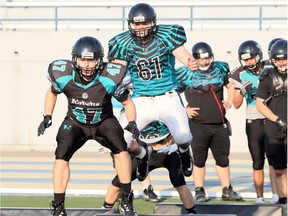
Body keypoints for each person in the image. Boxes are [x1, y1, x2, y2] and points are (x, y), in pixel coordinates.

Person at [37, 36, 140, 216]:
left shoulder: (110, 77)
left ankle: (125, 200)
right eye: (83, 59)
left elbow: (127, 103)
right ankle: (59, 206)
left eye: (91, 60)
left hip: (103, 121)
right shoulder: (63, 75)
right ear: (74, 59)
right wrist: (47, 116)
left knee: (121, 150)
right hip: (75, 122)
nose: (86, 65)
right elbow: (52, 92)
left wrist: (132, 122)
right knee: (61, 154)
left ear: (99, 60)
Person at [108, 3, 197, 182]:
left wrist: (190, 63)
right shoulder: (122, 43)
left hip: (167, 97)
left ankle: (185, 152)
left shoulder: (167, 35)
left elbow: (183, 55)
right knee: (119, 142)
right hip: (140, 100)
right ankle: (142, 155)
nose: (140, 28)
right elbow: (117, 72)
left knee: (182, 136)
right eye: (137, 24)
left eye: (144, 23)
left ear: (153, 22)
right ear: (130, 24)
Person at [176, 42, 242, 202]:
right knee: (199, 159)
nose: (205, 62)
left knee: (223, 158)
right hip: (198, 125)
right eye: (202, 59)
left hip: (219, 124)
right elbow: (171, 93)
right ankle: (199, 190)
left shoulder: (220, 68)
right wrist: (184, 109)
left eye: (207, 59)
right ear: (195, 58)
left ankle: (227, 189)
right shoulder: (184, 73)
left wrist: (229, 100)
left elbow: (230, 84)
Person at [103, 120, 197, 214]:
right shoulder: (136, 109)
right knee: (120, 180)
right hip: (146, 150)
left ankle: (191, 212)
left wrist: (178, 144)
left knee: (179, 182)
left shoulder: (170, 108)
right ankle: (105, 209)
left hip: (169, 150)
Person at [228, 39, 279, 204]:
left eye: (251, 58)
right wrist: (242, 91)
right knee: (257, 160)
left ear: (259, 56)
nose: (249, 62)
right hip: (253, 117)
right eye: (245, 59)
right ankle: (259, 198)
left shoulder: (271, 67)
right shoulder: (240, 74)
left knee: (274, 159)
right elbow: (236, 105)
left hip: (271, 116)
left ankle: (276, 194)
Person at [111, 97, 161, 203]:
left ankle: (147, 187)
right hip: (113, 108)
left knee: (141, 148)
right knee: (118, 152)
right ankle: (120, 188)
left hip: (133, 108)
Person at [256, 39, 287, 205]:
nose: (281, 62)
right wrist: (278, 120)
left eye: (284, 58)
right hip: (275, 129)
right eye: (278, 59)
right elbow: (259, 104)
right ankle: (283, 199)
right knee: (279, 169)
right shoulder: (268, 76)